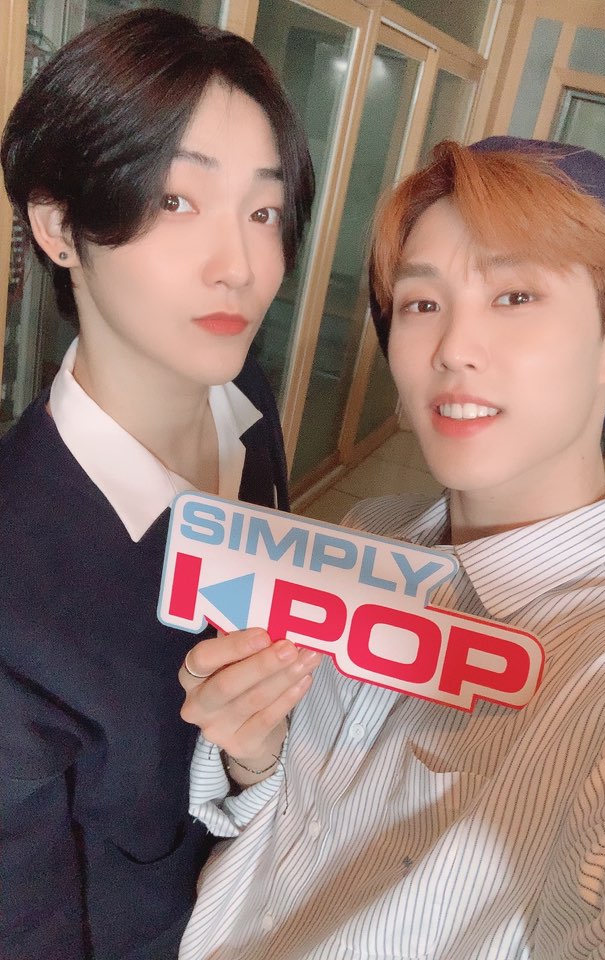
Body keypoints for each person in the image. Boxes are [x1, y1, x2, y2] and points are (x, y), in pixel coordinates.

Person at [178, 139, 605, 959]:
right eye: (423, 303)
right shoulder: (370, 532)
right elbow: (295, 823)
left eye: (515, 295)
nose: (453, 348)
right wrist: (256, 755)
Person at [0, 9, 316, 958]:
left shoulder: (247, 403)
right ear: (59, 226)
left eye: (263, 212)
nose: (241, 268)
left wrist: (254, 762)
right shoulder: (17, 582)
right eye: (177, 201)